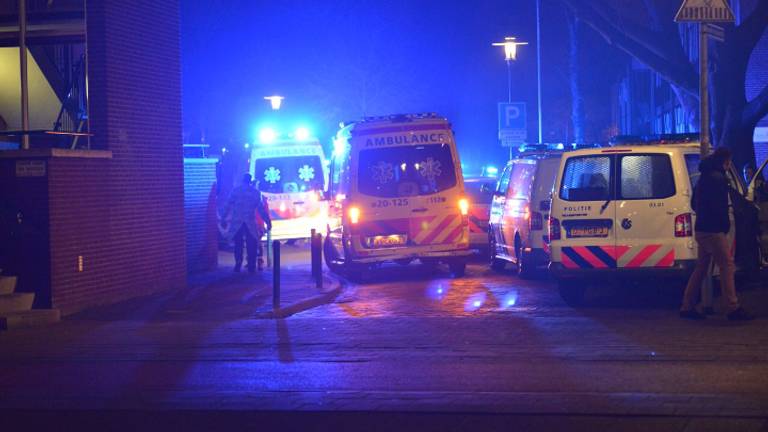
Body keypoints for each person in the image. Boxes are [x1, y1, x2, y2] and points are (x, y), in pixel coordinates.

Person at [680, 147, 753, 321]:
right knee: (727, 266)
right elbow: (720, 206)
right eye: (728, 162)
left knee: (701, 268)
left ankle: (687, 305)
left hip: (702, 228)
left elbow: (694, 203)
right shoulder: (719, 179)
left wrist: (704, 215)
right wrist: (724, 225)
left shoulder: (703, 177)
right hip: (714, 230)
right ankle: (732, 307)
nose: (729, 166)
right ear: (725, 161)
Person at [223, 174, 272, 273]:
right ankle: (251, 265)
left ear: (242, 180)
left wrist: (224, 217)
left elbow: (228, 205)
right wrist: (268, 221)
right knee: (252, 244)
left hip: (237, 222)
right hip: (250, 222)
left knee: (238, 244)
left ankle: (238, 264)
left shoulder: (236, 191)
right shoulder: (255, 193)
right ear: (250, 181)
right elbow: (261, 209)